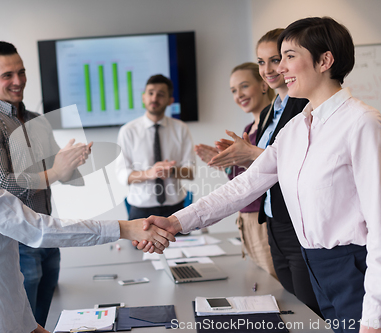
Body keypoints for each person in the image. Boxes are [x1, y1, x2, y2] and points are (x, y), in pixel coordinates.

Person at [141, 17, 381, 333]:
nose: (280, 68)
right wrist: (175, 222)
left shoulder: (361, 123)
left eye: (290, 56)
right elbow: (245, 186)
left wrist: (373, 318)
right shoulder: (295, 129)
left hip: (355, 269)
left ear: (325, 60)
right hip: (315, 267)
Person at [0, 64, 174, 333]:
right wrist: (125, 228)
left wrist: (30, 325)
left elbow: (1, 266)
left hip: (1, 311)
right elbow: (36, 229)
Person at [197, 29, 321, 317]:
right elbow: (260, 172)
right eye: (261, 62)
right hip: (273, 220)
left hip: (293, 221)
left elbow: (299, 164)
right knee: (287, 302)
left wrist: (248, 154)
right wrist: (235, 158)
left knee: (306, 309)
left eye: (277, 59)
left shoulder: (304, 106)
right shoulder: (270, 113)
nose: (269, 69)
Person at [0, 41, 84, 326]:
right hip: (19, 240)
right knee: (23, 324)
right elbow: (2, 182)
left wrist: (73, 161)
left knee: (44, 320)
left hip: (48, 233)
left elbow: (59, 172)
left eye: (21, 72)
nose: (18, 81)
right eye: (7, 75)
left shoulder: (38, 120)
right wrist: (56, 172)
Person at [195, 62, 276, 279]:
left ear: (263, 85)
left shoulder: (275, 127)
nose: (239, 94)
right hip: (245, 218)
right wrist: (227, 163)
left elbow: (271, 173)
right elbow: (243, 178)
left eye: (244, 86)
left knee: (274, 283)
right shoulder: (248, 129)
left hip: (263, 220)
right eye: (233, 90)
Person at [115, 74, 195, 220]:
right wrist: (151, 173)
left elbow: (191, 172)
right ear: (143, 97)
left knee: (184, 244)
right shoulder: (128, 131)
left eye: (160, 94)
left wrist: (171, 171)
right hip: (140, 212)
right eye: (150, 93)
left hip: (176, 210)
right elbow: (122, 175)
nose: (154, 98)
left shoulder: (181, 129)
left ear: (170, 101)